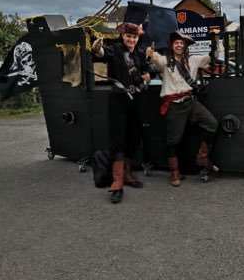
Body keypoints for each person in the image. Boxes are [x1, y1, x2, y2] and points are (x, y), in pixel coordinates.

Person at [146, 30, 219, 187]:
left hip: (190, 101)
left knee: (212, 123)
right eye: (176, 42)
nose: (179, 45)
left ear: (185, 46)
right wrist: (151, 54)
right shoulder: (165, 60)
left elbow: (212, 57)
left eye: (181, 42)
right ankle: (174, 173)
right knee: (173, 141)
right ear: (172, 45)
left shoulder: (193, 59)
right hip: (173, 104)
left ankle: (202, 157)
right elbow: (157, 63)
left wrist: (215, 39)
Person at [92, 22, 152, 203]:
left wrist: (148, 74)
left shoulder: (140, 53)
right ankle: (117, 181)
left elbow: (147, 69)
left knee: (133, 137)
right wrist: (97, 49)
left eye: (134, 37)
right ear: (123, 36)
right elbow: (102, 54)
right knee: (118, 139)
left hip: (136, 102)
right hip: (118, 101)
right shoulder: (115, 50)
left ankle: (128, 174)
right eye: (128, 36)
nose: (131, 39)